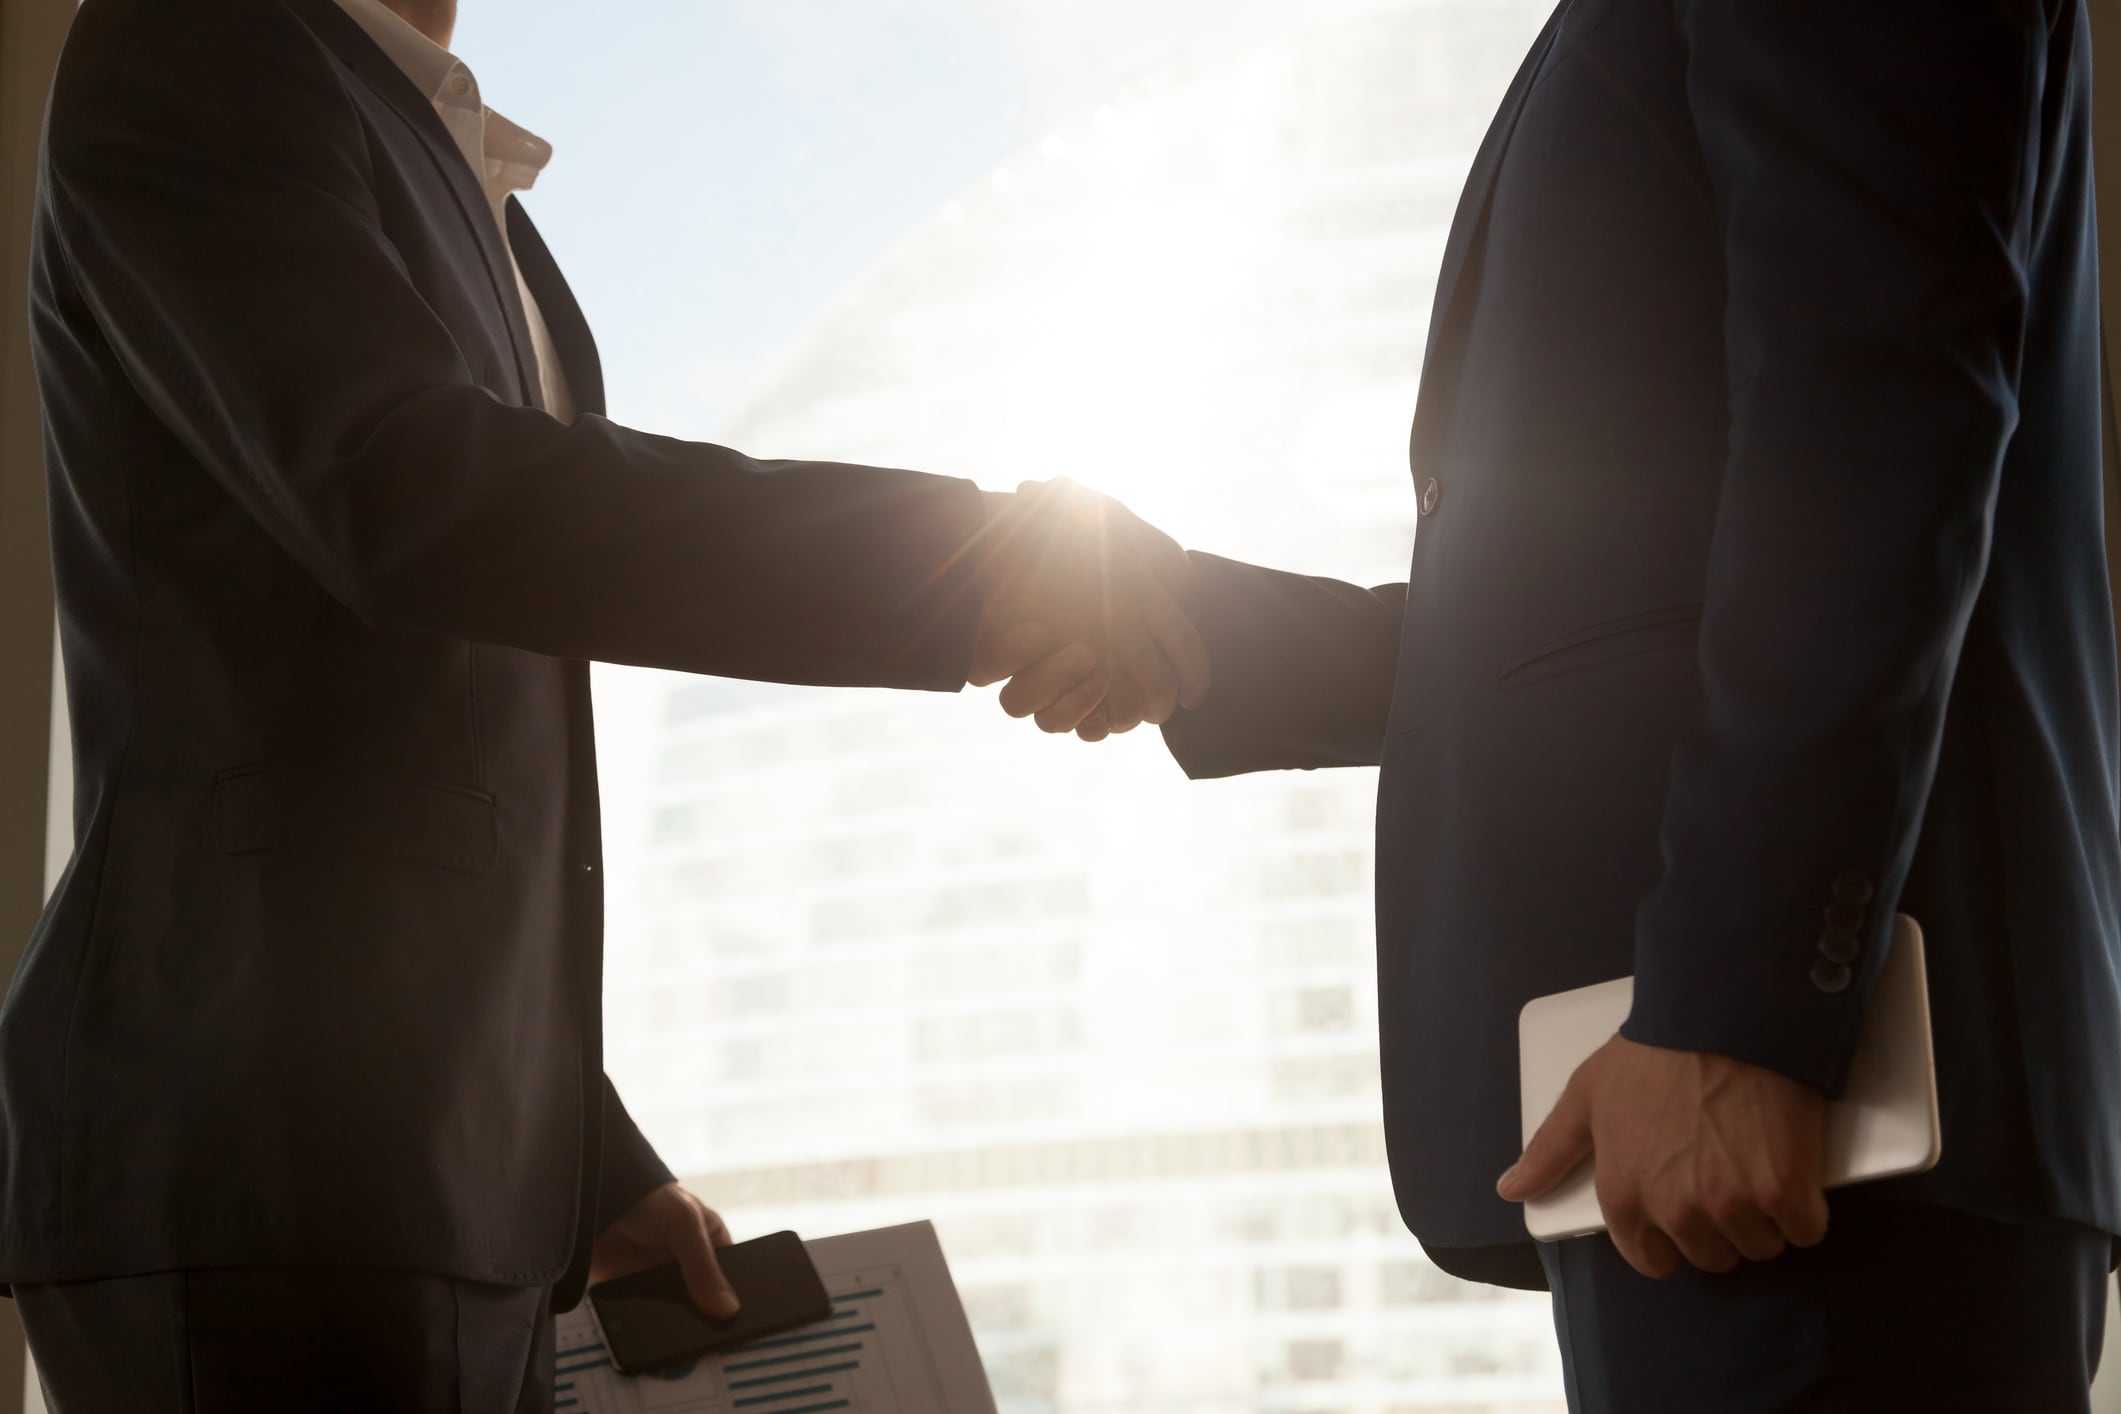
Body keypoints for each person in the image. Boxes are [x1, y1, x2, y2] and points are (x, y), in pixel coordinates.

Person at [8, 0, 1207, 1408]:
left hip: (441, 1189)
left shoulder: (460, 176)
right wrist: (983, 562)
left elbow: (451, 753)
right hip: (257, 1166)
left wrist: (586, 1156)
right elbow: (420, 501)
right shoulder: (198, 39)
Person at [1008, 1, 2121, 1408]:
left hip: (1797, 1106)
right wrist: (1206, 639)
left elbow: (1869, 410)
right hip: (1718, 1117)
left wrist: (1742, 1007)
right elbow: (1620, 599)